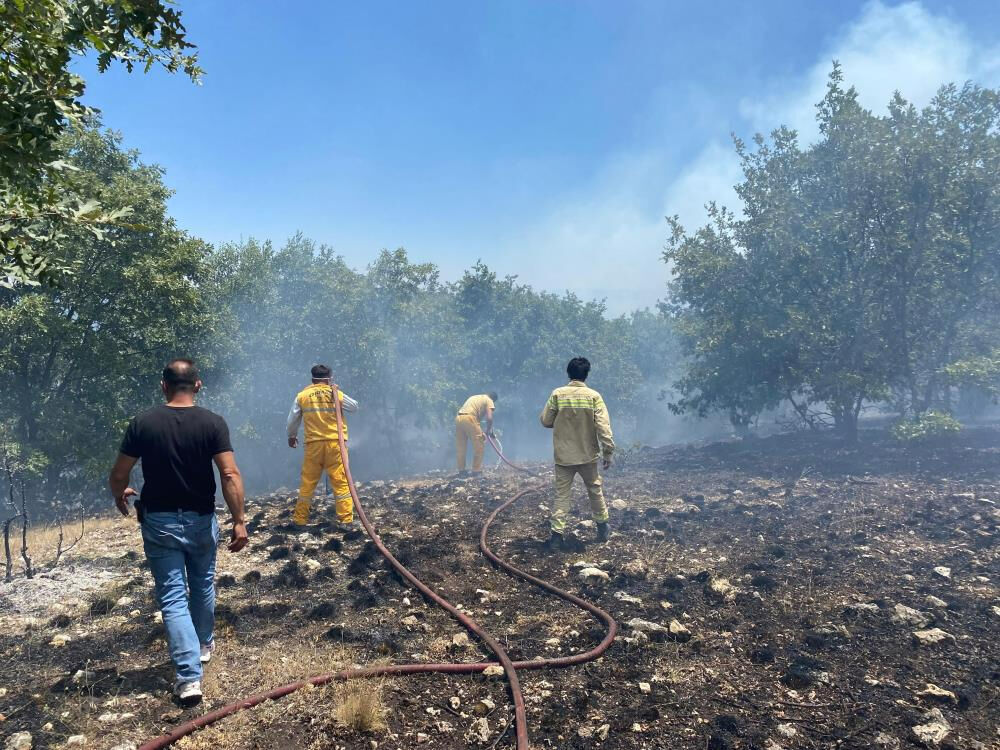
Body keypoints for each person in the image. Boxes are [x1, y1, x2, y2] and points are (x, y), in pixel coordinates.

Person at [109, 359, 248, 707]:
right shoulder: (213, 423)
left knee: (172, 597)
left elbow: (120, 472)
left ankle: (188, 679)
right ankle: (202, 645)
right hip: (201, 519)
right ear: (198, 386)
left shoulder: (143, 423)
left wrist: (119, 492)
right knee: (202, 584)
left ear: (163, 386)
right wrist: (239, 520)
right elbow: (229, 475)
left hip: (158, 521)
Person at [539, 357, 615, 549]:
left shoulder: (557, 394)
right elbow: (603, 427)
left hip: (563, 457)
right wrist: (608, 451)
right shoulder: (594, 397)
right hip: (588, 455)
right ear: (586, 374)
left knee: (562, 495)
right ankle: (602, 528)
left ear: (568, 373)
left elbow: (546, 421)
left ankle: (556, 536)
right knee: (594, 490)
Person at [287, 364, 359, 526]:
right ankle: (346, 520)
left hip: (314, 446)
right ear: (329, 378)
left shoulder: (303, 396)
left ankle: (299, 520)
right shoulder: (335, 393)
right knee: (340, 481)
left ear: (312, 379)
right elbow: (354, 407)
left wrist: (292, 436)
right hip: (336, 445)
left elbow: (292, 420)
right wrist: (336, 392)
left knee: (308, 483)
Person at [455, 392, 497, 474]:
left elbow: (475, 422)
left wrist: (486, 431)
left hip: (458, 418)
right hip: (470, 418)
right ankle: (476, 471)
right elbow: (489, 418)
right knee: (479, 445)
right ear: (493, 399)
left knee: (461, 447)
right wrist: (488, 431)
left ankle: (461, 471)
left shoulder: (474, 397)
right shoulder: (489, 400)